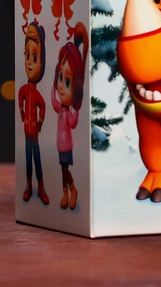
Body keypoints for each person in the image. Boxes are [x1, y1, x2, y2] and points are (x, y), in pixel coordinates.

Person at [51, 22, 88, 210]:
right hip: (60, 146)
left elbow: (73, 123)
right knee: (62, 170)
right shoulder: (61, 110)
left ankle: (72, 190)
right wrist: (53, 87)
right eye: (60, 78)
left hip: (66, 146)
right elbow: (54, 102)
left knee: (65, 170)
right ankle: (65, 192)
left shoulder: (67, 113)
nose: (61, 86)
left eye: (66, 82)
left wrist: (78, 108)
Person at [18, 21, 49, 205]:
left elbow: (43, 106)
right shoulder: (24, 89)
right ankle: (28, 186)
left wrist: (40, 123)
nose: (29, 62)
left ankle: (41, 187)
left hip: (34, 134)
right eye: (27, 56)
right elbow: (20, 97)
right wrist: (22, 112)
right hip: (26, 132)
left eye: (35, 57)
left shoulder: (37, 95)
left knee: (37, 160)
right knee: (27, 160)